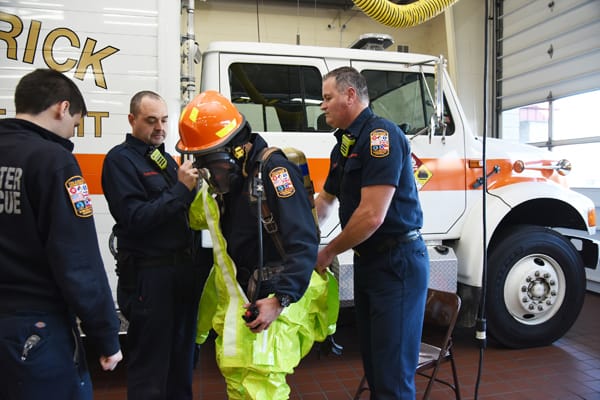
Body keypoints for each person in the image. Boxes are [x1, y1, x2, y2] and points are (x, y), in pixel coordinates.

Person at [178, 90, 334, 399]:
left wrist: (280, 300)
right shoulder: (229, 188)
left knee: (265, 388)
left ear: (236, 151)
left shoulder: (274, 174)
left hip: (274, 307)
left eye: (213, 165)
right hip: (248, 315)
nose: (210, 176)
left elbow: (303, 242)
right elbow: (221, 253)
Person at [0, 68, 122, 399]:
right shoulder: (55, 161)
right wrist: (106, 334)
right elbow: (78, 260)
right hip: (37, 330)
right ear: (62, 108)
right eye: (76, 124)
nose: (72, 135)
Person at [315, 66, 430, 400]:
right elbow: (325, 201)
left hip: (397, 265)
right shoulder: (344, 145)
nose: (322, 106)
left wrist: (328, 250)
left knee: (392, 379)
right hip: (370, 264)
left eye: (327, 97)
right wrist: (301, 237)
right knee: (377, 370)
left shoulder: (381, 136)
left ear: (350, 95)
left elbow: (372, 216)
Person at [101, 90, 203, 400]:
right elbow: (135, 218)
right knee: (150, 366)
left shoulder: (164, 158)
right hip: (150, 277)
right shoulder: (120, 160)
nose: (160, 128)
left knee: (182, 360)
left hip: (180, 274)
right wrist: (182, 191)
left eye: (164, 120)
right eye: (151, 121)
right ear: (132, 120)